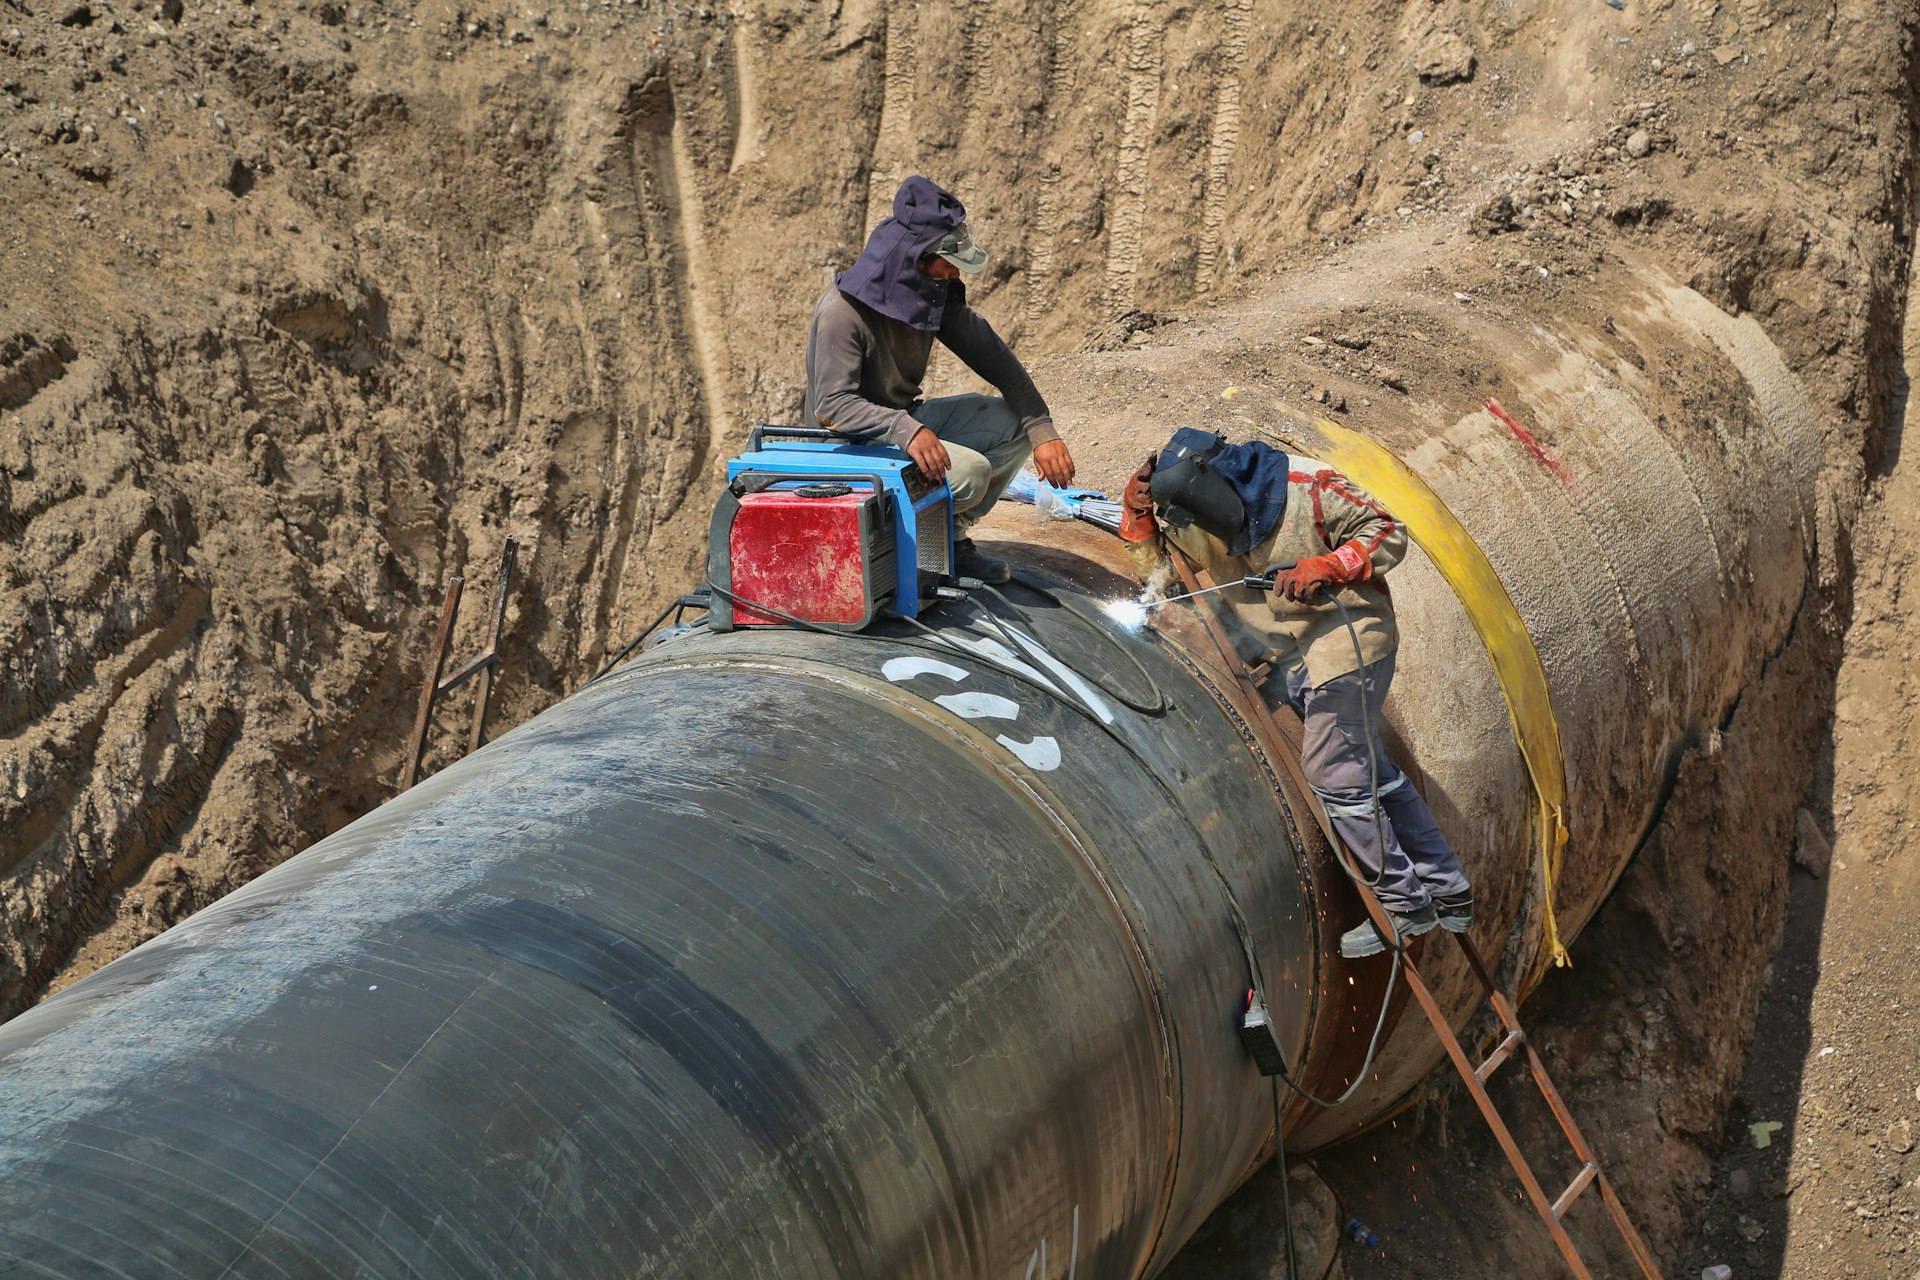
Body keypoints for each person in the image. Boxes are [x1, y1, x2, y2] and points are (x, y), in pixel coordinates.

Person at [1119, 428, 1473, 958]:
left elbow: (1387, 530)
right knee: (1368, 768)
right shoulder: (1184, 516)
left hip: (1348, 635)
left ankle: (1404, 903)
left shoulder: (1309, 486)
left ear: (1224, 485)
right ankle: (1448, 890)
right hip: (1290, 655)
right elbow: (1159, 578)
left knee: (1335, 772)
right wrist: (1140, 519)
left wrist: (1328, 566)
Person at [804, 176, 1075, 584]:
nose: (952, 275)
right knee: (969, 472)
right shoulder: (842, 313)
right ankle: (906, 550)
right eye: (948, 265)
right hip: (848, 445)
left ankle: (948, 538)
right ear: (917, 258)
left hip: (901, 423)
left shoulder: (930, 293)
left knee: (1013, 426)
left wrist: (1042, 429)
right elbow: (833, 405)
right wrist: (906, 429)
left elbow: (996, 361)